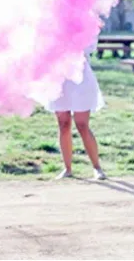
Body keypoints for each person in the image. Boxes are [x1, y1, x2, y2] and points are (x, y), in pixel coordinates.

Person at [45, 35, 107, 181]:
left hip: (80, 78)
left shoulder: (85, 24)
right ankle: (67, 169)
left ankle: (97, 167)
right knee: (63, 124)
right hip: (58, 78)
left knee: (82, 124)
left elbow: (89, 46)